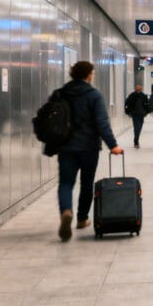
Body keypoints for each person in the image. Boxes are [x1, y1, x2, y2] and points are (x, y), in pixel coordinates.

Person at [56, 61, 124, 241]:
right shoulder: (94, 95)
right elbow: (101, 123)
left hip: (66, 146)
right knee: (87, 183)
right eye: (92, 73)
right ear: (88, 75)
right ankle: (81, 218)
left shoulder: (61, 93)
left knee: (65, 183)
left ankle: (66, 212)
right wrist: (113, 145)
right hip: (88, 147)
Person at [124, 84, 151, 148]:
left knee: (140, 127)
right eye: (137, 87)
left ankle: (136, 138)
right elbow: (127, 103)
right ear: (135, 88)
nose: (138, 88)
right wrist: (128, 112)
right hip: (134, 114)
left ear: (141, 88)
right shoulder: (132, 95)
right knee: (136, 127)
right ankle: (136, 140)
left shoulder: (143, 96)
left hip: (141, 114)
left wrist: (146, 112)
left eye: (140, 87)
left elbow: (147, 104)